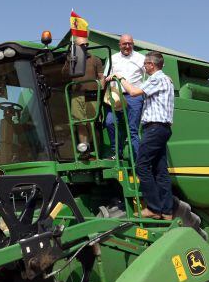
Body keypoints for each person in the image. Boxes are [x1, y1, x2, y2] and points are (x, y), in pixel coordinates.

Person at [108, 51, 175, 219]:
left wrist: (120, 77)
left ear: (152, 65)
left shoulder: (156, 79)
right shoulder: (165, 79)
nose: (144, 67)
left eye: (145, 64)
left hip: (154, 129)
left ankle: (153, 207)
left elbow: (133, 92)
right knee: (161, 170)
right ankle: (167, 211)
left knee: (142, 166)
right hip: (162, 129)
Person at [104, 34, 146, 159]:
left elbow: (152, 72)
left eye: (130, 44)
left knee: (133, 129)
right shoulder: (113, 58)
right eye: (124, 44)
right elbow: (105, 76)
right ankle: (117, 152)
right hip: (116, 96)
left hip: (134, 97)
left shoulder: (141, 58)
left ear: (133, 44)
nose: (127, 46)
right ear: (120, 45)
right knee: (110, 122)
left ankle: (138, 160)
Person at [68, 36, 104, 151]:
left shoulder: (95, 59)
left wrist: (101, 90)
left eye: (86, 44)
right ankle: (85, 148)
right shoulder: (71, 59)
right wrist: (69, 61)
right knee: (79, 122)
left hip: (92, 93)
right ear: (76, 47)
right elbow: (64, 73)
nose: (85, 47)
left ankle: (95, 148)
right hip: (76, 94)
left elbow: (101, 76)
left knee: (91, 121)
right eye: (82, 45)